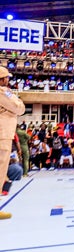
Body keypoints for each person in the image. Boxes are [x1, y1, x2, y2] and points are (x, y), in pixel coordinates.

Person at [0, 66, 25, 219]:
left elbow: (18, 106)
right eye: (6, 78)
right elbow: (18, 107)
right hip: (2, 134)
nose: (8, 80)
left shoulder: (6, 92)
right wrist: (14, 105)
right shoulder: (2, 92)